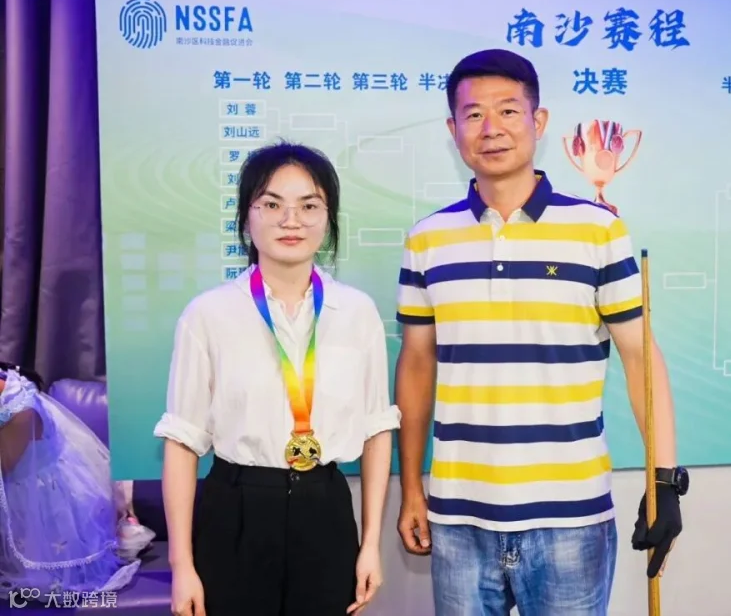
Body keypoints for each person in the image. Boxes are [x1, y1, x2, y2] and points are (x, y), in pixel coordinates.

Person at [394, 49, 688, 616]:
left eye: (508, 110)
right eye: (473, 114)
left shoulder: (598, 230)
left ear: (539, 121)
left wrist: (665, 481)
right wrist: (411, 487)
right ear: (453, 130)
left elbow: (639, 356)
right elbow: (416, 364)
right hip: (458, 518)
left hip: (571, 518)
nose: (491, 128)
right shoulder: (427, 239)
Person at [154, 141, 399, 616]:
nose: (291, 220)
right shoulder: (208, 314)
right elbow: (182, 442)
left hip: (325, 511)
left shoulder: (357, 312)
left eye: (309, 206)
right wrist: (182, 564)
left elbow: (377, 431)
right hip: (235, 513)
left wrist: (370, 544)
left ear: (328, 219)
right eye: (271, 204)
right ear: (246, 219)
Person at [0, 366, 144, 604]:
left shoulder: (20, 409)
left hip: (45, 514)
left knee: (44, 581)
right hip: (15, 499)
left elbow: (5, 466)